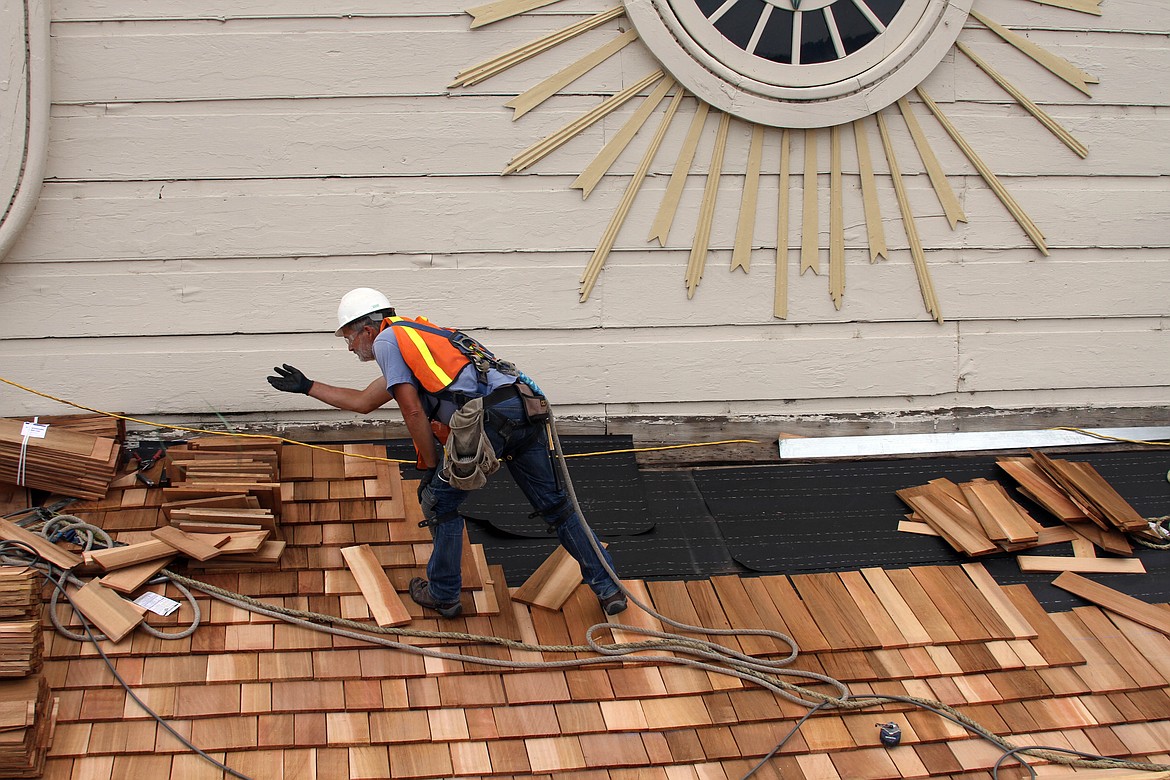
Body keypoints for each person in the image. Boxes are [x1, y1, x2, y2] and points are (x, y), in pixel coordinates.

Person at [267, 288, 626, 618]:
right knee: (557, 507)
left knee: (438, 502)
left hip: (490, 419)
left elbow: (412, 412)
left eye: (348, 337)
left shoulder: (388, 342)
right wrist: (308, 387)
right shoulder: (416, 340)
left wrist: (430, 464)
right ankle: (608, 588)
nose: (349, 348)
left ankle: (443, 593)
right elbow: (363, 402)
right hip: (522, 409)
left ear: (367, 328)